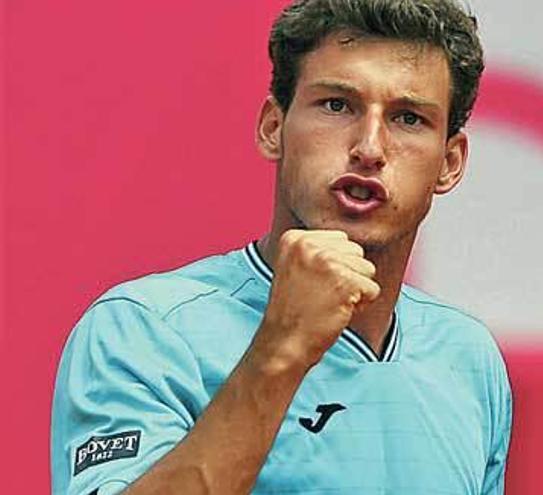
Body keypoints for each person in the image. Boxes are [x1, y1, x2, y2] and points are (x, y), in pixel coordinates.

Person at [50, 1, 512, 493]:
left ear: (450, 162)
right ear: (274, 127)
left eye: (408, 118)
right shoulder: (142, 330)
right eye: (337, 105)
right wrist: (281, 349)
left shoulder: (470, 358)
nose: (370, 148)